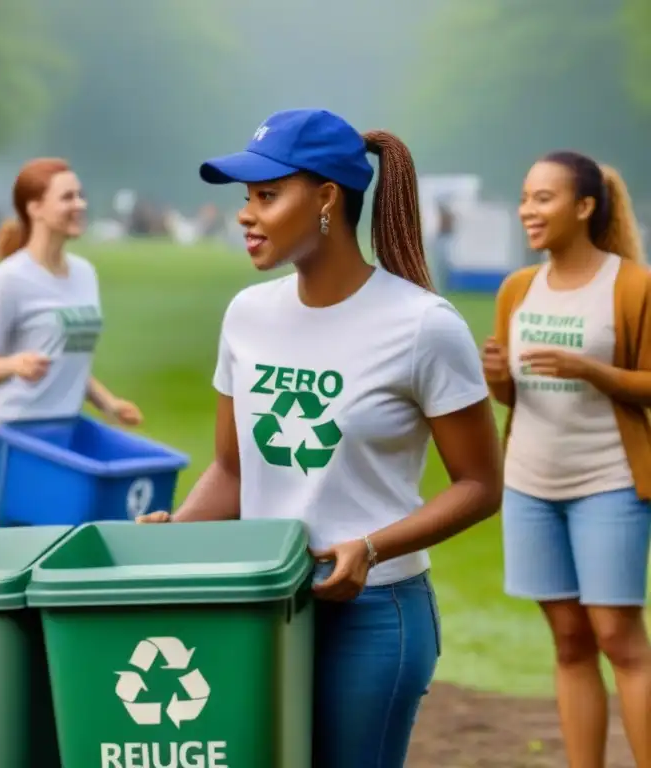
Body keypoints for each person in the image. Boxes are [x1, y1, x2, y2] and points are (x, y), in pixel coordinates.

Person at [136, 108, 504, 767]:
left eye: (268, 196)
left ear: (328, 197)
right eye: (246, 198)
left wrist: (370, 547)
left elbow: (480, 485)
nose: (246, 215)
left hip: (373, 612)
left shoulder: (423, 326)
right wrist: (181, 536)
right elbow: (232, 466)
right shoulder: (247, 315)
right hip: (261, 606)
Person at [484, 152, 651, 768]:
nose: (529, 209)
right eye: (526, 196)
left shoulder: (632, 285)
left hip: (608, 482)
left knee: (618, 638)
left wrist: (593, 371)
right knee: (570, 640)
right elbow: (512, 396)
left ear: (584, 207)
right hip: (530, 485)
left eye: (544, 198)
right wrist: (498, 378)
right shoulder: (518, 289)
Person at [0, 157, 142, 499]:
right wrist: (14, 365)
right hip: (14, 440)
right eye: (67, 198)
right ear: (35, 208)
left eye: (80, 195)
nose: (80, 205)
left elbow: (66, 357)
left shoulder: (84, 274)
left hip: (66, 431)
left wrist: (108, 403)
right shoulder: (7, 280)